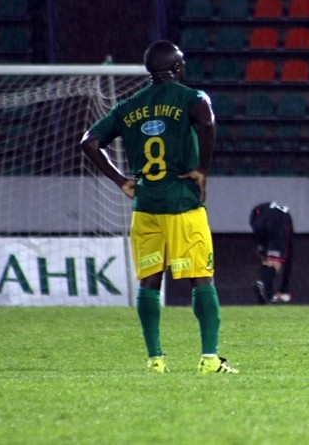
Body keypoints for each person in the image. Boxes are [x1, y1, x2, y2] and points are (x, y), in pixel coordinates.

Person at [80, 39, 237, 374]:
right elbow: (207, 122)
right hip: (182, 204)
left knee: (150, 281)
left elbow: (89, 142)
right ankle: (209, 358)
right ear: (177, 68)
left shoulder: (128, 105)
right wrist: (203, 169)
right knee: (201, 279)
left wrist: (121, 180)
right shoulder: (192, 97)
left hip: (145, 206)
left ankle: (155, 360)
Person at [250, 201, 294, 304]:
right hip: (277, 223)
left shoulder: (262, 207)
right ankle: (263, 283)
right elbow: (288, 257)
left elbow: (253, 219)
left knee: (265, 259)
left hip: (257, 218)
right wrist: (284, 289)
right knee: (276, 261)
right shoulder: (286, 219)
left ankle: (267, 293)